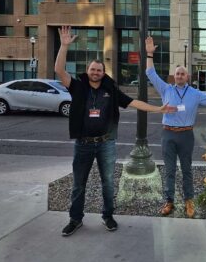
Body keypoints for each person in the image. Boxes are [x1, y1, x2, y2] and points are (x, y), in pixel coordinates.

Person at [55, 26, 176, 237]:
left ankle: (108, 216)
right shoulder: (78, 86)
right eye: (93, 69)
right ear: (88, 70)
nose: (95, 73)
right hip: (83, 144)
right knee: (78, 185)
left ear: (103, 73)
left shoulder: (110, 90)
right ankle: (75, 219)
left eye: (99, 70)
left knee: (108, 184)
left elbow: (134, 102)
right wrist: (64, 46)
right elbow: (59, 70)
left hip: (105, 143)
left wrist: (158, 108)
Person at [145, 36, 206, 218]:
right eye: (177, 73)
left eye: (183, 73)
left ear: (188, 77)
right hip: (168, 135)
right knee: (170, 170)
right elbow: (150, 73)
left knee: (187, 170)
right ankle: (169, 201)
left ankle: (189, 201)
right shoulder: (166, 89)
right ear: (175, 76)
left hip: (186, 135)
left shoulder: (195, 93)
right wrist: (150, 54)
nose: (180, 76)